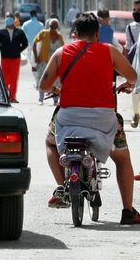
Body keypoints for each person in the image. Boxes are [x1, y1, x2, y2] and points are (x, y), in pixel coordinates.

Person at [39, 12, 140, 224]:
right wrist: (127, 84)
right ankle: (128, 211)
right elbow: (132, 76)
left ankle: (63, 186)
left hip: (69, 116)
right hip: (104, 118)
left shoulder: (61, 52)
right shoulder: (109, 51)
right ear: (97, 33)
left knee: (49, 143)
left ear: (75, 33)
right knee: (122, 158)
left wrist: (58, 90)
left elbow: (44, 85)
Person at [0, 13, 28, 103]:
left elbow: (25, 43)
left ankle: (12, 97)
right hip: (5, 58)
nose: (9, 20)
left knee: (14, 78)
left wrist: (18, 50)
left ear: (14, 20)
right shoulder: (1, 32)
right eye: (7, 18)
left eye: (11, 18)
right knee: (5, 78)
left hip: (16, 58)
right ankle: (4, 96)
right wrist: (3, 49)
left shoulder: (19, 32)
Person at [32, 19, 64, 105]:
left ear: (57, 26)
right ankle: (40, 99)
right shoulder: (44, 33)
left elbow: (63, 49)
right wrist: (35, 56)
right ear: (49, 26)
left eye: (55, 25)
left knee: (56, 81)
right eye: (52, 25)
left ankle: (55, 100)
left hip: (56, 62)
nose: (54, 27)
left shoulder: (60, 36)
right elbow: (34, 43)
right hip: (44, 61)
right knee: (42, 79)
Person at [126, 0, 140, 128]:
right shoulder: (130, 27)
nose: (136, 13)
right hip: (137, 62)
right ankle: (136, 114)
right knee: (136, 89)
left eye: (138, 10)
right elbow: (128, 47)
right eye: (134, 10)